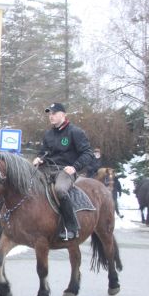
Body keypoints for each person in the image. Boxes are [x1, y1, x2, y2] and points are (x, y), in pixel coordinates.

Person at [32, 102, 95, 241]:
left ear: (63, 115)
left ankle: (71, 227)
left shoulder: (75, 132)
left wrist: (75, 167)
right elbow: (43, 152)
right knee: (28, 183)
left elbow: (88, 153)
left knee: (60, 190)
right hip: (47, 169)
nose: (51, 116)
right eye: (49, 113)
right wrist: (39, 158)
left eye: (54, 113)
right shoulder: (48, 134)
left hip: (65, 171)